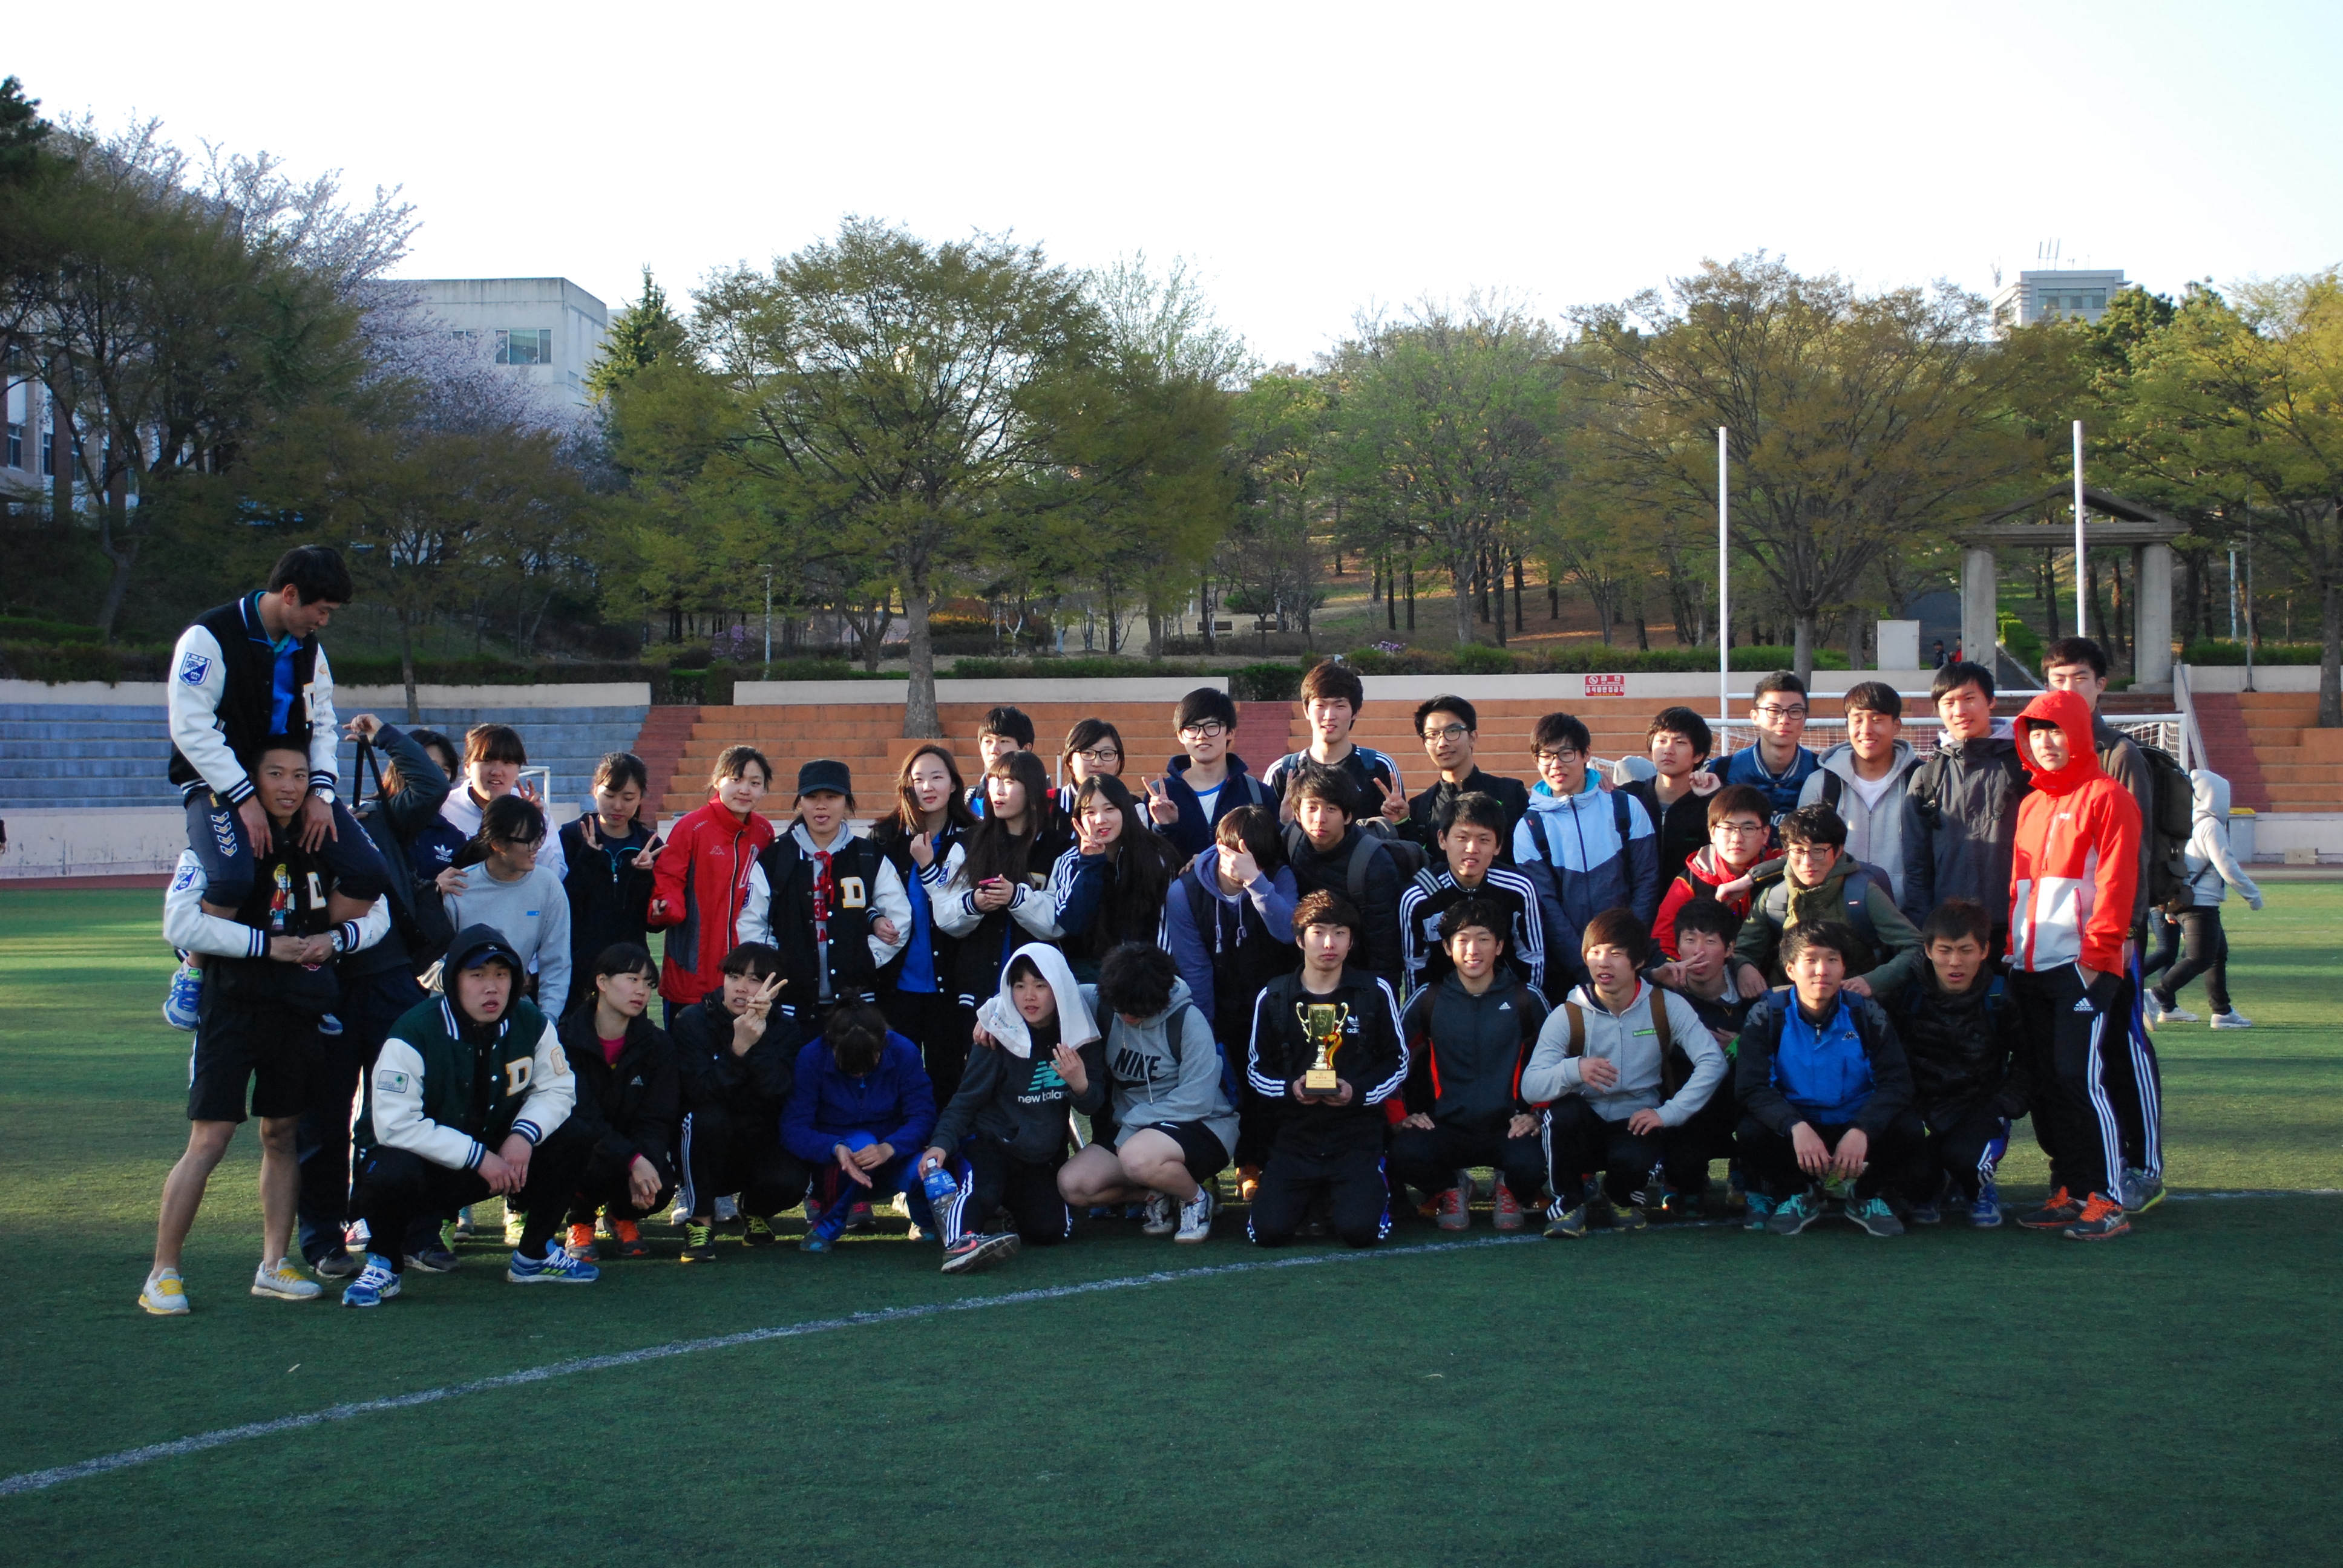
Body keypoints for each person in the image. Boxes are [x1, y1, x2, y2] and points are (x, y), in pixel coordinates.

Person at [144, 738, 390, 1315]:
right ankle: (163, 1272)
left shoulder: (325, 839)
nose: (289, 786)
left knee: (282, 1135)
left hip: (297, 1011)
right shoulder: (216, 844)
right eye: (275, 773)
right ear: (251, 782)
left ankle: (274, 1264)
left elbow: (376, 911)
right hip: (231, 1008)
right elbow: (180, 925)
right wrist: (265, 946)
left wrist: (337, 939)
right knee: (210, 1140)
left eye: (300, 775)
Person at [161, 546, 385, 1030]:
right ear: (289, 594)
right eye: (321, 610)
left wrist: (321, 794)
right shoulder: (209, 636)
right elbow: (190, 727)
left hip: (293, 784)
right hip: (218, 784)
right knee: (232, 879)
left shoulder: (310, 648)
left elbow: (322, 722)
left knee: (368, 871)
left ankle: (309, 961)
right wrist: (243, 796)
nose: (324, 621)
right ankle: (194, 968)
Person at [339, 926, 600, 1305]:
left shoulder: (530, 1022)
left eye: (501, 975)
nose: (491, 988)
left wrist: (523, 1135)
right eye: (477, 975)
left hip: (497, 1157)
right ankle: (384, 1265)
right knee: (391, 1170)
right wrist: (477, 1157)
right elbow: (395, 1125)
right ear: (453, 981)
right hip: (425, 1167)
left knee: (574, 1135)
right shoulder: (414, 1030)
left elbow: (558, 1089)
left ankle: (534, 1255)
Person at [303, 711, 447, 1279]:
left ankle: (417, 1232)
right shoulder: (285, 829)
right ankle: (323, 1239)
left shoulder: (376, 816)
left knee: (411, 1108)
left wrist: (382, 735)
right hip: (326, 985)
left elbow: (431, 784)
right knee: (323, 1120)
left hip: (391, 980)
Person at [2005, 688, 2143, 1242]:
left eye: (2056, 730)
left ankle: (2106, 1198)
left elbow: (2117, 882)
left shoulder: (2108, 796)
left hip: (2080, 967)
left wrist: (2096, 956)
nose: (2046, 742)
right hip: (2030, 967)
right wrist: (2014, 950)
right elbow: (2019, 887)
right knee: (2046, 1084)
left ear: (2080, 734)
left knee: (2078, 1079)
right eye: (2036, 732)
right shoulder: (2032, 803)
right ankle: (2070, 1189)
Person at [2042, 635, 2173, 1210]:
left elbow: (2132, 855)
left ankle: (2144, 1166)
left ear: (2101, 685)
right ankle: (2094, 1166)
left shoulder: (2118, 755)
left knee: (2124, 1045)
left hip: (2113, 934)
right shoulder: (2047, 751)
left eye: (2079, 678)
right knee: (2080, 1060)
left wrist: (2124, 933)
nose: (2068, 688)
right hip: (2061, 937)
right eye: (2058, 679)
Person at [1523, 908, 1725, 1237]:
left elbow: (1713, 1062)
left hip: (1636, 1119)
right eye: (1595, 953)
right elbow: (1531, 1086)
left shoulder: (1666, 1005)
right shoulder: (1568, 1014)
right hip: (1583, 1121)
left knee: (1640, 1151)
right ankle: (1569, 1204)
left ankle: (1620, 1196)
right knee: (1563, 1116)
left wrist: (1668, 1113)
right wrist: (1575, 1069)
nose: (1603, 963)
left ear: (1639, 961)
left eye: (1615, 954)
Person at [922, 944, 1106, 1272]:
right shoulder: (997, 1034)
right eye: (1019, 986)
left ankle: (1010, 1207)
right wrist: (940, 1144)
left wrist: (1080, 1083)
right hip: (992, 1144)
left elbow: (1093, 1105)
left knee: (1050, 1231)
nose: (1029, 996)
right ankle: (960, 1241)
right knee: (982, 1190)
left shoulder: (1079, 1033)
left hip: (1041, 1156)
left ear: (1059, 988)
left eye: (1040, 985)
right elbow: (966, 1100)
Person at [1733, 921, 1919, 1238]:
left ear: (1844, 967)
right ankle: (1800, 1193)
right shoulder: (1767, 1014)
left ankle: (1864, 1195)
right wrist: (1795, 1126)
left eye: (1832, 959)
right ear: (1790, 969)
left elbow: (1896, 1083)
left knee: (1910, 1129)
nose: (1822, 970)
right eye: (1811, 960)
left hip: (1853, 1124)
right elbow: (1752, 1087)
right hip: (1799, 1129)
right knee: (1750, 1132)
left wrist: (1862, 1129)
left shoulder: (1866, 1013)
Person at [1244, 892, 1408, 1249]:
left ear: (1351, 941)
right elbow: (1256, 1069)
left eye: (1340, 933)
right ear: (1300, 940)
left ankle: (1372, 1181)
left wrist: (1357, 1093)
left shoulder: (1374, 991)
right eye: (1318, 932)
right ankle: (1313, 1198)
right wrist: (1291, 1088)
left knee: (1360, 1233)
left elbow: (1398, 1061)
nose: (1329, 944)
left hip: (1356, 1136)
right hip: (1294, 1138)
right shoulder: (1274, 996)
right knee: (1268, 1233)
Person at [1057, 942, 1240, 1244]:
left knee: (1137, 1156)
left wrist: (1134, 1121)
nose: (1127, 1015)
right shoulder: (1101, 1002)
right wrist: (994, 1015)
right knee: (1074, 1186)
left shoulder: (1187, 1020)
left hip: (1200, 1125)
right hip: (1133, 1134)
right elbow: (1049, 991)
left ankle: (1196, 1198)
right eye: (1121, 1007)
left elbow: (1197, 1100)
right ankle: (1157, 1194)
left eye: (1137, 1009)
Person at [1162, 805, 1297, 1194]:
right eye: (1237, 855)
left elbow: (1288, 931)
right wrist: (1205, 1035)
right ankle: (1239, 1165)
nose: (1243, 866)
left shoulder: (1278, 877)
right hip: (1221, 1004)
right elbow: (1195, 969)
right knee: (1229, 1085)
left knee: (1277, 1086)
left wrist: (1256, 882)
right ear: (1221, 847)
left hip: (1276, 1002)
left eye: (1256, 861)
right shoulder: (1185, 891)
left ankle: (1275, 1164)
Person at [1392, 898, 1548, 1231]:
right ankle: (1454, 1188)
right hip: (1446, 1127)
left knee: (1538, 1158)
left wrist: (1537, 1114)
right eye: (1462, 940)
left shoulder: (1526, 998)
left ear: (1500, 946)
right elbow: (1392, 1058)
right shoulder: (1429, 999)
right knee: (1404, 1151)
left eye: (1483, 939)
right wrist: (1402, 1116)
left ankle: (1510, 1189)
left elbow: (1556, 1062)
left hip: (1510, 1127)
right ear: (1448, 948)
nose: (1473, 950)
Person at [1876, 899, 2028, 1229]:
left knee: (1967, 1159)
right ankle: (1931, 1185)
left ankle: (1979, 1187)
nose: (1955, 962)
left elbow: (2027, 1061)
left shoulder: (2001, 995)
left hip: (1979, 1106)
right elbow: (1885, 1059)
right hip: (1921, 1106)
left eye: (1966, 950)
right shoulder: (1906, 994)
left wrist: (2001, 1106)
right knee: (1912, 1176)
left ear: (1984, 951)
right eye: (1945, 951)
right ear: (1928, 950)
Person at [737, 759, 909, 1027]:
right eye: (812, 797)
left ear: (847, 801)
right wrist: (775, 964)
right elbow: (751, 922)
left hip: (856, 1005)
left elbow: (900, 918)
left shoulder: (868, 856)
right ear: (800, 802)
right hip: (790, 1006)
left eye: (832, 797)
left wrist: (866, 958)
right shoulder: (775, 857)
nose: (821, 806)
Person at [669, 943, 805, 1263]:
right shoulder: (693, 1021)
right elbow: (699, 1093)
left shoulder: (786, 1028)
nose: (741, 987)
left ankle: (754, 1209)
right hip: (707, 1143)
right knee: (706, 1119)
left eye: (755, 980)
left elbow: (778, 1090)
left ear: (774, 989)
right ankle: (700, 1221)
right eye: (733, 976)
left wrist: (757, 1038)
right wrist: (738, 1048)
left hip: (759, 1138)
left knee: (791, 1181)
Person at [1513, 712, 1659, 993]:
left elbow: (1647, 883)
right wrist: (1585, 966)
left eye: (1566, 753)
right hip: (1567, 974)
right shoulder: (1529, 828)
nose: (1556, 764)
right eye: (1546, 756)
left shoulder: (1626, 807)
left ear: (1586, 754)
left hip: (1632, 965)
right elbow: (1546, 908)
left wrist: (1628, 953)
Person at [783, 1001, 938, 1254]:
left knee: (929, 1168)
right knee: (860, 1142)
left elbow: (923, 1115)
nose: (858, 1075)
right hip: (838, 1160)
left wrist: (890, 1147)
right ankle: (827, 1225)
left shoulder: (903, 1051)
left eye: (868, 1065)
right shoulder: (812, 1057)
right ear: (831, 1046)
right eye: (848, 1066)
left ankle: (925, 1220)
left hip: (896, 1153)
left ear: (883, 1045)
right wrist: (834, 1148)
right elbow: (794, 1127)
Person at [870, 743, 978, 1103]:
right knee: (894, 1077)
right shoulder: (885, 837)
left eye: (937, 777)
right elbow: (865, 900)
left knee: (948, 1077)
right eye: (918, 779)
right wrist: (874, 919)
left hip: (952, 983)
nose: (928, 787)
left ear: (954, 784)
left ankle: (943, 1139)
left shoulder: (973, 837)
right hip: (897, 982)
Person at [557, 944, 680, 1261]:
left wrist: (645, 1161)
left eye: (648, 984)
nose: (641, 991)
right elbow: (580, 1113)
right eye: (632, 979)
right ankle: (580, 1219)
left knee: (661, 1183)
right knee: (578, 1152)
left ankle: (622, 1216)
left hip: (630, 1147)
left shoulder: (657, 1044)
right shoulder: (566, 1039)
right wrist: (632, 1160)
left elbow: (658, 1116)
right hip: (585, 1150)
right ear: (602, 982)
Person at [1898, 659, 2030, 952]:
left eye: (1969, 699)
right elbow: (1916, 863)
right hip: (1950, 933)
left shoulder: (2025, 767)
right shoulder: (1927, 776)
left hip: (2018, 925)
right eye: (1948, 703)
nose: (1959, 711)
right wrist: (1925, 927)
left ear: (1991, 701)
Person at [1732, 803, 1923, 998]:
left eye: (1818, 851)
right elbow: (1744, 950)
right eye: (1797, 851)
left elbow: (1915, 947)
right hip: (1787, 1005)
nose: (1807, 862)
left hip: (1851, 1003)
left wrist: (1871, 982)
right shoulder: (1774, 896)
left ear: (1839, 851)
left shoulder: (1862, 894)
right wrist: (1744, 966)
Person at [647, 745, 776, 1027]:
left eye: (755, 783)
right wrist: (666, 908)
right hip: (691, 973)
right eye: (736, 780)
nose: (745, 790)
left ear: (764, 789)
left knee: (742, 1048)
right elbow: (668, 880)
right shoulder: (691, 827)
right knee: (687, 1050)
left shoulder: (764, 832)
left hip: (745, 979)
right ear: (718, 781)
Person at [934, 750, 1077, 1002]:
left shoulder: (1059, 848)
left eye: (1009, 782)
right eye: (993, 781)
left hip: (1035, 991)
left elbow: (1059, 923)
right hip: (976, 987)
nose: (998, 790)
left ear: (1032, 790)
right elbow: (944, 913)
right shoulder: (969, 843)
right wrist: (974, 903)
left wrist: (1016, 897)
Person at [2145, 767, 2264, 1031]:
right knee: (2199, 958)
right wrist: (2252, 895)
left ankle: (2222, 1011)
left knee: (2217, 954)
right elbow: (2226, 866)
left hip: (2184, 900)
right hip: (2201, 903)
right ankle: (2155, 996)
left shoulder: (2185, 823)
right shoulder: (2210, 825)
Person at [1396, 791, 1545, 998]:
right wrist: (1427, 1012)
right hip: (1444, 1001)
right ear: (1442, 839)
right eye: (1462, 838)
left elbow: (1532, 956)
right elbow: (1415, 965)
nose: (1472, 848)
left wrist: (1524, 1005)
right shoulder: (1419, 897)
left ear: (1498, 846)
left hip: (1504, 997)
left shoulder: (1518, 888)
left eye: (1484, 839)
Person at [439, 794, 573, 1019]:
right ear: (497, 843)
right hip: (458, 1012)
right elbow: (433, 966)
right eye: (528, 841)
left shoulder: (548, 886)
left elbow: (556, 964)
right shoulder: (459, 888)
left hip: (514, 1009)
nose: (536, 848)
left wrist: (548, 1020)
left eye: (539, 839)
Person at [1796, 681, 1921, 906]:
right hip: (1835, 913)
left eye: (1877, 720)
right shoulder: (1822, 784)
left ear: (1897, 726)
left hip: (1905, 914)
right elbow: (1801, 854)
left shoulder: (1921, 780)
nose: (1866, 730)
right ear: (1847, 725)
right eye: (1858, 719)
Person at [1283, 763, 1405, 985]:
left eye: (1331, 809)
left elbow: (1385, 950)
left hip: (1356, 980)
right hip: (1299, 977)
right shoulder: (1290, 840)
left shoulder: (1374, 862)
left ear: (1348, 816)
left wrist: (1380, 999)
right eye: (1312, 808)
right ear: (1297, 814)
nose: (1320, 818)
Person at [1051, 774, 1181, 979]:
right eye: (1090, 812)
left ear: (1126, 811)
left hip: (1148, 974)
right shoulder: (1071, 860)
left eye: (1110, 809)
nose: (1100, 820)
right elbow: (1072, 924)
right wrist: (1091, 864)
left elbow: (1167, 927)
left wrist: (1156, 977)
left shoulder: (1157, 855)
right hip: (1089, 976)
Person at [559, 752, 662, 993]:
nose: (618, 806)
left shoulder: (650, 846)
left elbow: (653, 924)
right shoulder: (570, 837)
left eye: (628, 798)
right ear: (594, 790)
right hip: (578, 967)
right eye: (609, 795)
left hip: (631, 967)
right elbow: (562, 905)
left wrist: (644, 876)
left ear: (641, 797)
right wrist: (587, 859)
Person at [1263, 659, 1406, 832]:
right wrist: (1285, 824)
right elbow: (1262, 841)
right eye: (1320, 705)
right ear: (1306, 710)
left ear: (1355, 712)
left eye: (1340, 706)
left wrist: (1400, 821)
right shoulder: (1282, 772)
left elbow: (1402, 841)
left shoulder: (1379, 767)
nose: (1329, 715)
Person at [1147, 687, 1276, 860]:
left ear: (1230, 732)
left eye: (1212, 726)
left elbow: (1272, 859)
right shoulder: (1159, 797)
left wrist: (1286, 824)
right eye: (1192, 728)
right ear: (1180, 735)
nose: (1201, 736)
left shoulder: (1258, 794)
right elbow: (1149, 863)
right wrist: (1165, 828)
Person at [1651, 784, 1774, 961]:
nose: (1737, 838)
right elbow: (1662, 944)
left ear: (1765, 834)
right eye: (1728, 828)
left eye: (1748, 828)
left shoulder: (1779, 866)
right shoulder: (1691, 881)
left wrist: (1752, 879)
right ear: (1712, 833)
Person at [1400, 694, 1531, 855]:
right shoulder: (1420, 807)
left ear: (1472, 737)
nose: (1442, 743)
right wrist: (1401, 823)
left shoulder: (1510, 793)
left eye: (1452, 731)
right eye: (1432, 735)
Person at [438, 723, 568, 883]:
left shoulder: (533, 807)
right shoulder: (444, 807)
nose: (496, 772)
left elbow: (557, 874)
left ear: (519, 769)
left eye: (507, 762)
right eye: (487, 761)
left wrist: (535, 828)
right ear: (467, 767)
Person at [1616, 707, 1722, 885]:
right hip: (1635, 900)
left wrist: (1716, 795)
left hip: (1690, 899)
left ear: (1698, 756)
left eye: (1680, 742)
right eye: (1661, 741)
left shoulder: (1711, 806)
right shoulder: (1628, 798)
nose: (1668, 750)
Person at [1722, 671, 1820, 822]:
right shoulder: (1722, 771)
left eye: (1795, 711)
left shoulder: (1822, 772)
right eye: (1774, 711)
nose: (1784, 720)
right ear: (1755, 717)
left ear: (1805, 717)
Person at [965, 705, 1037, 814]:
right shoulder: (967, 800)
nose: (994, 750)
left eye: (1004, 741)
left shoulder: (1047, 801)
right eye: (988, 741)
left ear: (1025, 749)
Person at [1053, 717, 1127, 817]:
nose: (1097, 763)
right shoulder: (1048, 805)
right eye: (1087, 753)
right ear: (1070, 759)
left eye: (1107, 754)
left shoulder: (1134, 808)